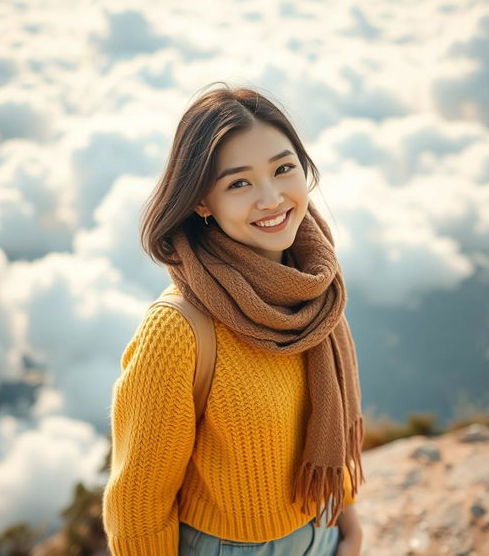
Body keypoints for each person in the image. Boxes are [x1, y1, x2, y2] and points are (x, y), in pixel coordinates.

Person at [102, 82, 366, 555]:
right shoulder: (177, 329)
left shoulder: (315, 285)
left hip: (323, 532)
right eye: (239, 182)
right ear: (202, 202)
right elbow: (138, 502)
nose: (271, 198)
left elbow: (328, 417)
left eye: (283, 169)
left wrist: (348, 525)